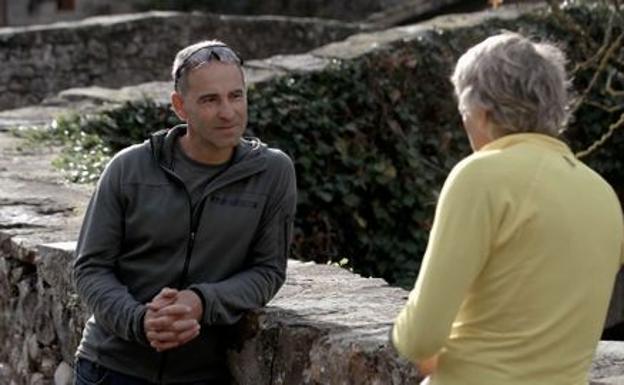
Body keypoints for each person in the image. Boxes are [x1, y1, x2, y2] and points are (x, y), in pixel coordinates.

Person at [391, 32, 624, 385]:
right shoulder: (604, 196)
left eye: (463, 112)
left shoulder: (480, 175)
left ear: (481, 112)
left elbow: (419, 337)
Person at [73, 40, 297, 385]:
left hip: (203, 374)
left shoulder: (273, 172)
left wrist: (201, 301)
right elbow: (91, 267)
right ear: (180, 106)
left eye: (236, 96)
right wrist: (139, 320)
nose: (228, 112)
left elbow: (268, 271)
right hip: (110, 369)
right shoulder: (129, 168)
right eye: (210, 99)